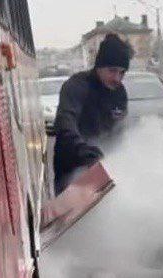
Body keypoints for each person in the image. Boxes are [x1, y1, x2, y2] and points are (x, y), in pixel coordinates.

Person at [53, 34, 133, 194]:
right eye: (112, 71)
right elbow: (65, 121)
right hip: (72, 168)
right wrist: (83, 150)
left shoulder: (120, 92)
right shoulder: (77, 86)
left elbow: (120, 130)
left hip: (104, 168)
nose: (117, 78)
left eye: (122, 73)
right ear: (99, 66)